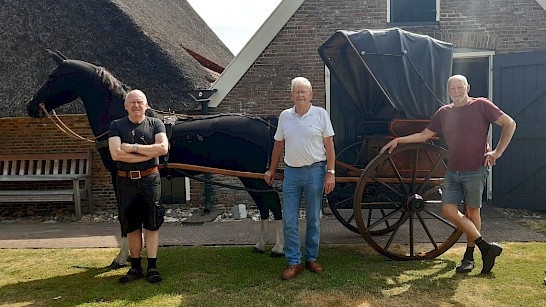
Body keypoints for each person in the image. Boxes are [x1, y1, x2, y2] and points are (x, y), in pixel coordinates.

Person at [380, 75, 516, 274]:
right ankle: (486, 248)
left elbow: (509, 123)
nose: (456, 91)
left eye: (460, 87)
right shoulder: (443, 112)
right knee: (448, 210)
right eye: (452, 88)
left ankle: (469, 257)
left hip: (476, 169)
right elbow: (424, 136)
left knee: (472, 213)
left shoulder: (482, 105)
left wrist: (497, 152)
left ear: (467, 87)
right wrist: (399, 141)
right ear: (448, 90)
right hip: (453, 170)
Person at [264, 77, 336, 280]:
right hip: (292, 174)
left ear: (311, 95)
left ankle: (311, 259)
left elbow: (329, 146)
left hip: (316, 171)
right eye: (297, 92)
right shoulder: (285, 117)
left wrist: (330, 172)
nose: (301, 95)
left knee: (313, 218)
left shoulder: (321, 114)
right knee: (289, 221)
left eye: (304, 91)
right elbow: (278, 145)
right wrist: (271, 170)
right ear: (291, 95)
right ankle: (293, 262)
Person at [108, 89, 169, 284]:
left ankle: (152, 267)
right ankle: (135, 267)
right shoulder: (116, 126)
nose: (136, 105)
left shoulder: (156, 124)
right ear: (125, 106)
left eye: (140, 102)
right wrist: (148, 153)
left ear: (146, 105)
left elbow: (163, 148)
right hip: (125, 182)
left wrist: (132, 148)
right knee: (132, 226)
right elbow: (116, 154)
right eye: (132, 102)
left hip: (149, 180)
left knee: (151, 224)